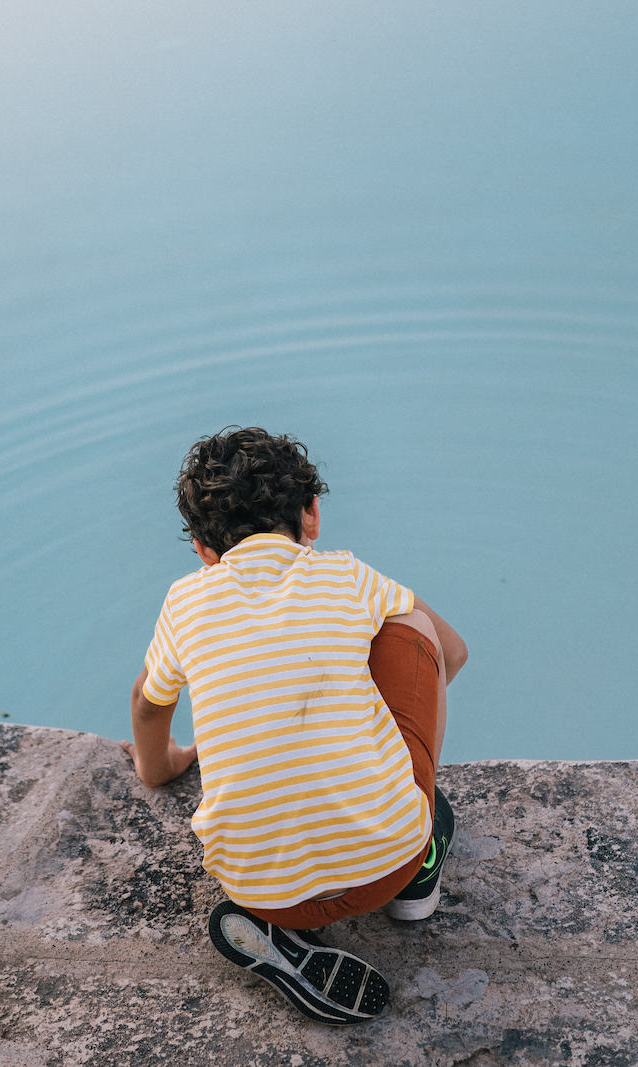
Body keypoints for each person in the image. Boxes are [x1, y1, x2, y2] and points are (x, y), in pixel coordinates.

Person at [123, 426, 468, 1024]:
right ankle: (419, 878)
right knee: (411, 622)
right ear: (312, 513)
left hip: (261, 890)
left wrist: (165, 766)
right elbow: (454, 652)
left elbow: (149, 704)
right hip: (390, 865)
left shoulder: (183, 602)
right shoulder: (347, 576)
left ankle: (279, 939)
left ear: (203, 549)